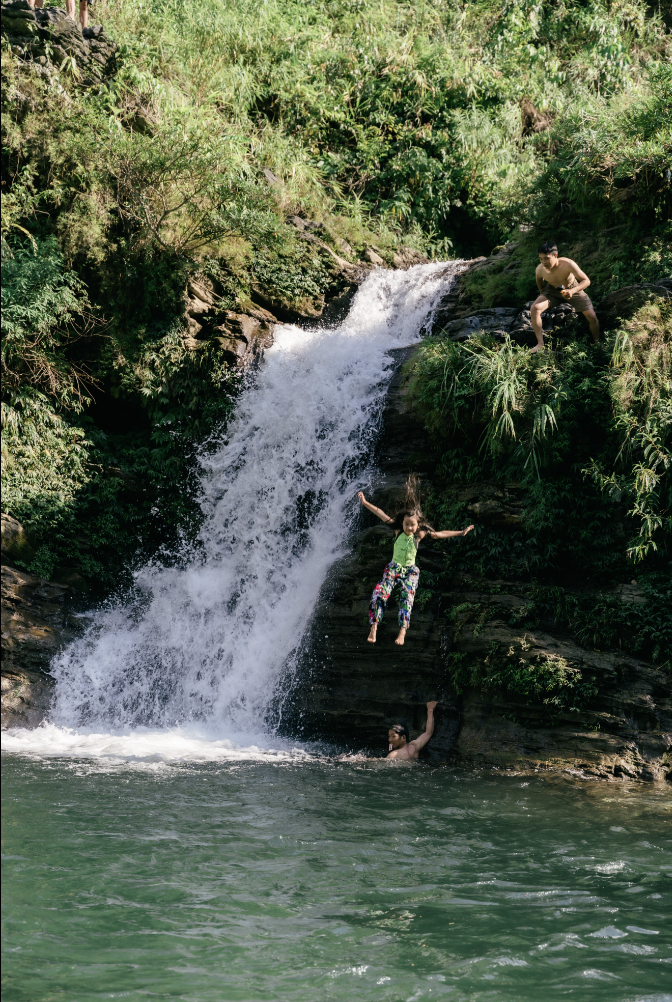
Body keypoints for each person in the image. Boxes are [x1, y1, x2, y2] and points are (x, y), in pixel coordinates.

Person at [358, 488, 474, 646]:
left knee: (407, 599)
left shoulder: (420, 534)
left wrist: (461, 532)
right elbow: (380, 513)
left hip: (410, 571)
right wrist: (364, 502)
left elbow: (440, 534)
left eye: (412, 525)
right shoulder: (397, 530)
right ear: (402, 523)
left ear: (418, 525)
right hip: (393, 568)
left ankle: (403, 631)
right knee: (379, 594)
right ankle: (374, 627)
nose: (409, 528)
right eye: (406, 524)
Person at [531, 240, 600, 353]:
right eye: (541, 259)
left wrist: (572, 291)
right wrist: (543, 293)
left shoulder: (568, 264)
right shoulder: (540, 269)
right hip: (551, 290)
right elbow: (539, 280)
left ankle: (597, 342)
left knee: (591, 316)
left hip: (572, 288)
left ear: (555, 255)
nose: (544, 262)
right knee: (535, 308)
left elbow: (586, 281)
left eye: (547, 258)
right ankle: (540, 344)